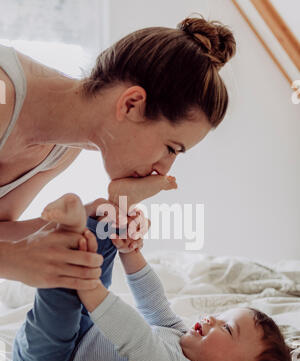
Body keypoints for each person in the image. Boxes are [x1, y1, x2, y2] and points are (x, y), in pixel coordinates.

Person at [0, 15, 236, 288]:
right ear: (132, 104)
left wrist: (88, 218)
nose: (164, 170)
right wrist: (16, 260)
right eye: (171, 148)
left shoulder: (62, 150)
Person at [12, 192, 291, 361]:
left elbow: (138, 339)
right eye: (220, 315)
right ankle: (94, 222)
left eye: (227, 328)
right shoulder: (181, 337)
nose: (210, 319)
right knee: (106, 238)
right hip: (84, 332)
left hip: (52, 360)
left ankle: (67, 230)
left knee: (65, 287)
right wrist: (130, 251)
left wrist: (90, 286)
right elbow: (153, 301)